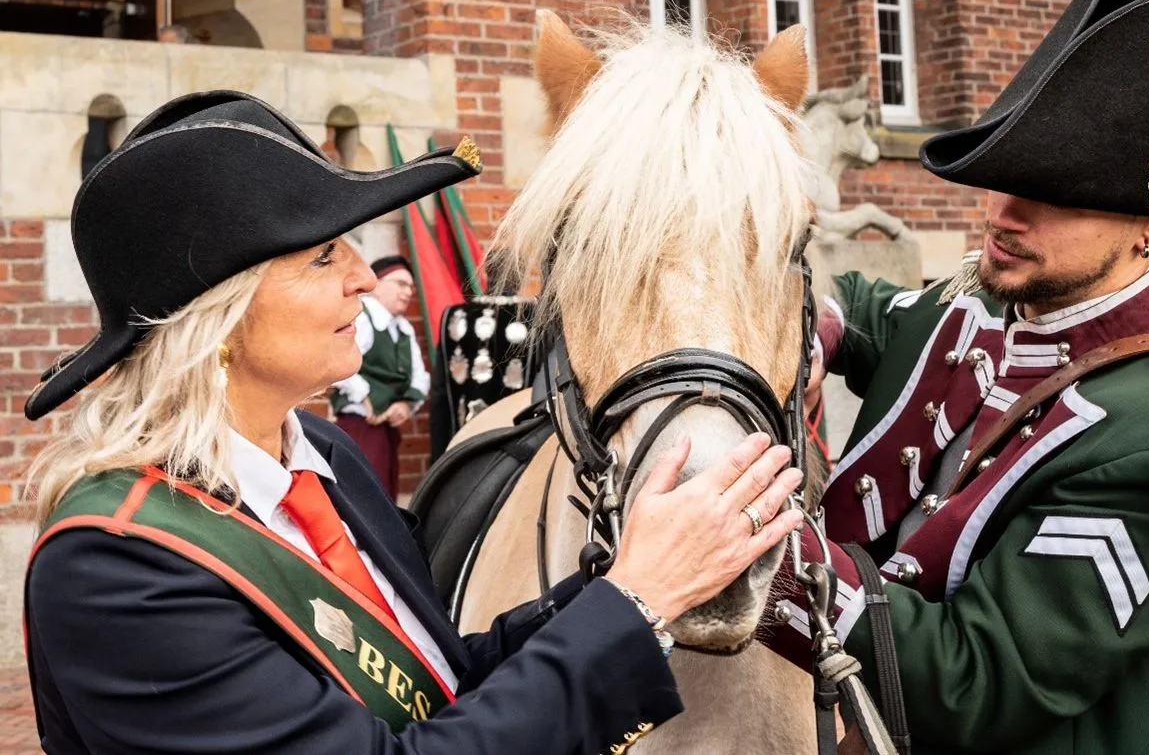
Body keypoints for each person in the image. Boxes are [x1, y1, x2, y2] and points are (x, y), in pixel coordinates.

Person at [21, 90, 804, 754]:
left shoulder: (318, 455)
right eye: (324, 256)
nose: (364, 277)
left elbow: (436, 680)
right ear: (218, 319)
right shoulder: (116, 569)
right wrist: (634, 602)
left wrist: (627, 577)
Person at [764, 0, 1149, 755]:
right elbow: (853, 307)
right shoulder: (977, 314)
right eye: (1005, 179)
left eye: (1053, 193)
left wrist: (755, 549)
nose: (1003, 216)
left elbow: (970, 681)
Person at [331, 254, 428, 497]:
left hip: (386, 429)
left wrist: (405, 405)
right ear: (378, 284)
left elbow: (420, 377)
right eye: (401, 284)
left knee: (384, 498)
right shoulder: (361, 319)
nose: (408, 292)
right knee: (361, 498)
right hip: (359, 427)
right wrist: (367, 397)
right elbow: (336, 363)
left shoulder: (402, 329)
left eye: (411, 287)